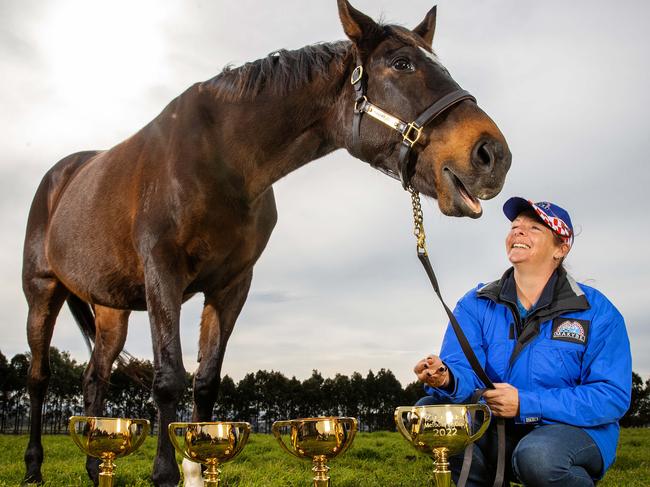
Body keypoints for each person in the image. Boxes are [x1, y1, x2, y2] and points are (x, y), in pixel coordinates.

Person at [413, 197, 631, 487]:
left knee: (538, 457)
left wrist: (526, 403)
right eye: (515, 226)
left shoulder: (598, 312)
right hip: (497, 427)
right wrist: (447, 378)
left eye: (533, 228)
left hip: (571, 431)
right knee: (433, 410)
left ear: (560, 248)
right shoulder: (475, 304)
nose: (518, 231)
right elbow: (462, 368)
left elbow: (610, 396)